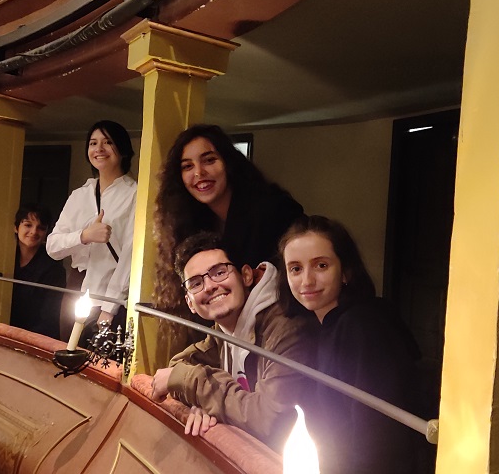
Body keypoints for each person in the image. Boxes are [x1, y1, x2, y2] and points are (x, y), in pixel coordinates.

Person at [277, 215, 421, 474]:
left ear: (346, 271)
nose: (307, 281)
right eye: (295, 269)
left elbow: (378, 437)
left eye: (321, 265)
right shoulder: (321, 327)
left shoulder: (361, 326)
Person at [150, 232, 317, 449]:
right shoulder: (223, 331)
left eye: (219, 272)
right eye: (196, 283)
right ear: (190, 303)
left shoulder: (286, 328)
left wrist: (196, 386)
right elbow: (178, 366)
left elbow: (268, 420)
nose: (209, 286)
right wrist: (204, 403)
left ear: (246, 276)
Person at [153, 124, 304, 349]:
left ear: (229, 163)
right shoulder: (188, 226)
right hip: (230, 343)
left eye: (209, 160)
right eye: (187, 166)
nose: (199, 173)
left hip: (280, 334)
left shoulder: (273, 209)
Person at [47, 120, 137, 330]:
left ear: (123, 149)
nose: (99, 149)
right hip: (75, 285)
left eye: (108, 142)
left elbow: (130, 255)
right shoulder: (80, 195)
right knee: (66, 346)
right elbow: (52, 247)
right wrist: (84, 236)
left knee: (100, 350)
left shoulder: (135, 194)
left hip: (110, 293)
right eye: (93, 143)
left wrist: (109, 309)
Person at [10, 204, 66, 339]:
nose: (34, 232)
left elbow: (50, 317)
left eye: (41, 228)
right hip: (1, 328)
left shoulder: (53, 267)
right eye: (28, 225)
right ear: (16, 228)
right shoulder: (5, 259)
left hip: (35, 336)